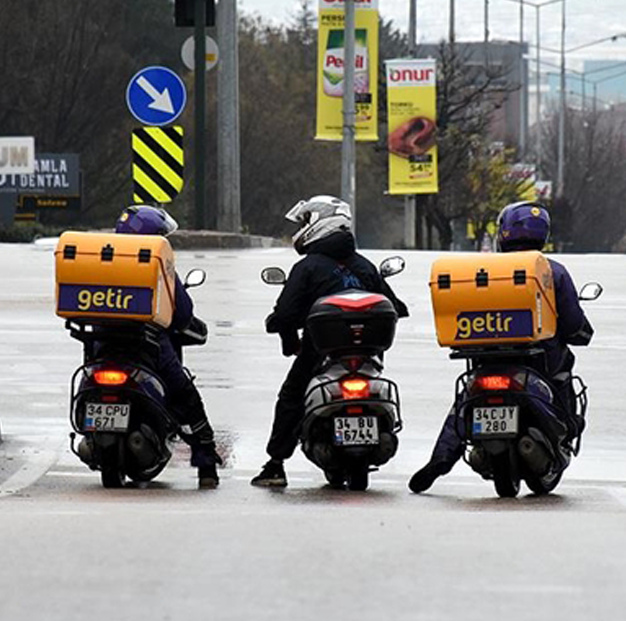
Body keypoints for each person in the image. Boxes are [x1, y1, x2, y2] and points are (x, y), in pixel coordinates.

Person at [408, 201, 594, 493]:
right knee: (563, 378)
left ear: (504, 231)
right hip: (541, 362)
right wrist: (582, 332)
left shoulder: (485, 268)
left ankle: (440, 461)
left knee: (464, 401)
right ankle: (566, 429)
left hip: (487, 360)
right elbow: (572, 323)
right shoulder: (552, 271)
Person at [251, 195, 409, 488]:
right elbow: (396, 306)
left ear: (321, 223)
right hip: (368, 359)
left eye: (306, 221)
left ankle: (276, 465)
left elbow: (285, 314)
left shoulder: (308, 267)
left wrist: (288, 339)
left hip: (319, 354)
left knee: (292, 397)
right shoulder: (364, 266)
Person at [111, 206, 222, 489]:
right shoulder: (160, 270)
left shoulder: (103, 263)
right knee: (187, 399)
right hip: (151, 352)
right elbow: (183, 314)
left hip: (103, 349)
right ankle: (206, 465)